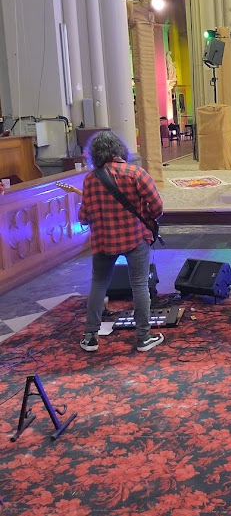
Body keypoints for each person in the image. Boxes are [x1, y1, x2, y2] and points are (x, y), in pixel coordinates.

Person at [78, 130, 164, 353]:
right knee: (139, 285)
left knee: (99, 284)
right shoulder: (136, 173)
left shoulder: (90, 179)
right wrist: (143, 214)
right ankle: (143, 338)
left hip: (103, 240)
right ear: (119, 149)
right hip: (135, 238)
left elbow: (84, 218)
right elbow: (157, 208)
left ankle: (90, 337)